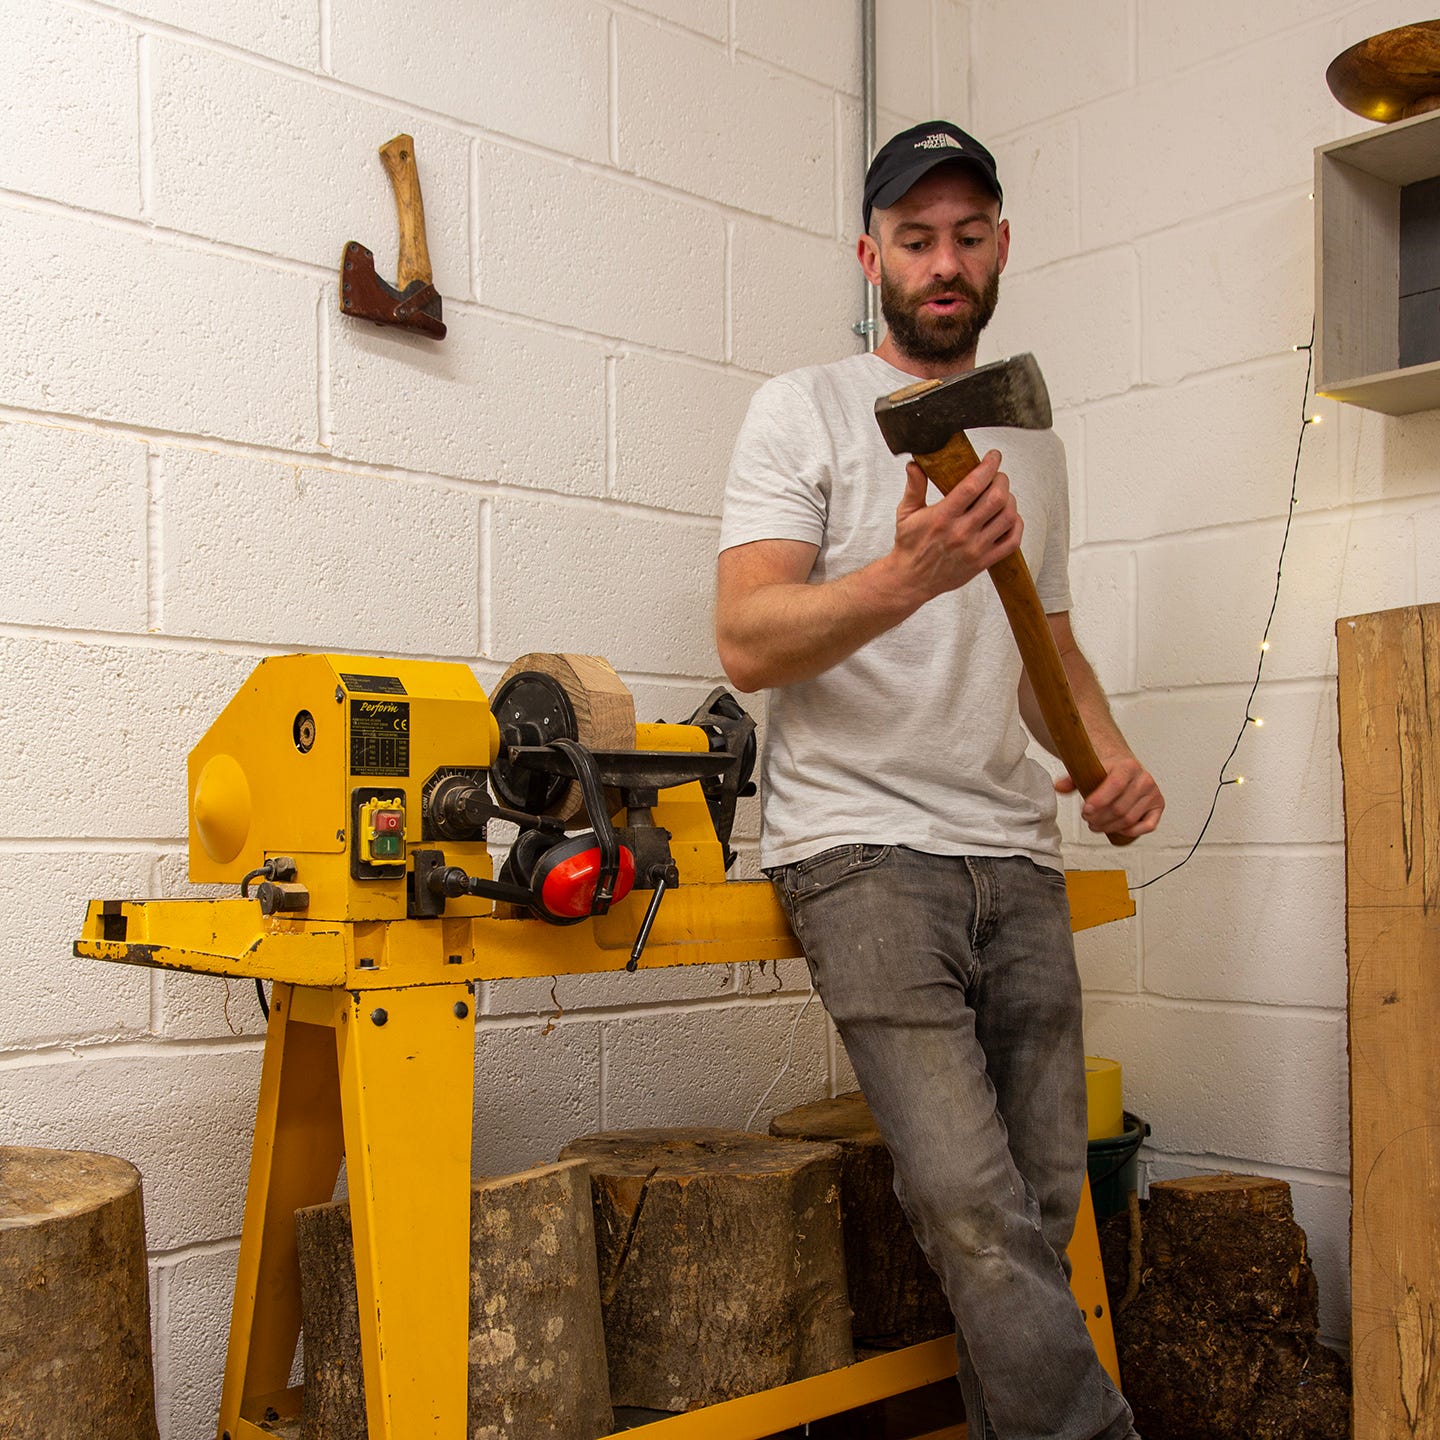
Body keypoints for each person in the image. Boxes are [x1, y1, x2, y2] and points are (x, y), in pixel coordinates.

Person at [714, 120, 1164, 1440]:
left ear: (1003, 248)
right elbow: (746, 636)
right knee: (970, 1205)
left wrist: (1108, 757)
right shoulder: (800, 410)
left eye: (970, 235)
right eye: (917, 239)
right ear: (874, 257)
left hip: (1018, 851)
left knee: (1036, 1207)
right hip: (858, 851)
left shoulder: (1042, 449)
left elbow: (1047, 647)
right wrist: (908, 572)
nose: (945, 261)